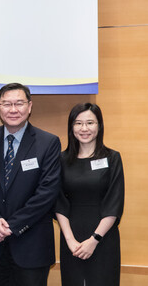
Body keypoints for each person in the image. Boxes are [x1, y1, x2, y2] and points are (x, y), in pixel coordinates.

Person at [0, 83, 61, 286]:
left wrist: (13, 225)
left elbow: (47, 192)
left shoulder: (48, 142)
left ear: (30, 106)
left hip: (32, 245)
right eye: (7, 104)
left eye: (19, 103)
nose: (13, 109)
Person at [55, 103, 124, 286]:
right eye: (78, 123)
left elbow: (114, 203)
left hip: (103, 238)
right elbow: (59, 201)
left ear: (99, 126)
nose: (84, 128)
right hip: (72, 238)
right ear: (71, 127)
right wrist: (70, 239)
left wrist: (94, 240)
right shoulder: (61, 160)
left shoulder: (112, 158)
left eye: (90, 123)